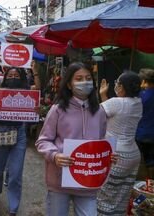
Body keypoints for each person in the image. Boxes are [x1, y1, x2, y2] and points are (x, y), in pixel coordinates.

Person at [35, 62, 107, 216]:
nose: (84, 82)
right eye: (79, 78)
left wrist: (107, 155)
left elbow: (100, 143)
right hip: (60, 180)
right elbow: (43, 141)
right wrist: (55, 155)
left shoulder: (100, 111)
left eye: (88, 78)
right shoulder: (58, 109)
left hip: (88, 182)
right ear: (69, 84)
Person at [0, 66, 39, 216]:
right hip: (0, 133)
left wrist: (35, 110)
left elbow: (38, 88)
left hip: (19, 134)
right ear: (4, 77)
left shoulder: (27, 93)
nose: (13, 78)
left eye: (16, 76)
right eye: (10, 75)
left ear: (21, 78)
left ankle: (13, 208)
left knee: (16, 172)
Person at [97, 71, 143, 215]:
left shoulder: (116, 103)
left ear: (121, 87)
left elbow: (95, 116)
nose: (115, 85)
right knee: (121, 197)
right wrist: (104, 95)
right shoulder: (137, 103)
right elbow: (117, 113)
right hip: (133, 155)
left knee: (104, 197)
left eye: (117, 82)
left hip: (116, 155)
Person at [136, 68, 154, 179]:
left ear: (143, 81)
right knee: (151, 161)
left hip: (141, 135)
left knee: (144, 162)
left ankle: (148, 186)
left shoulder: (140, 96)